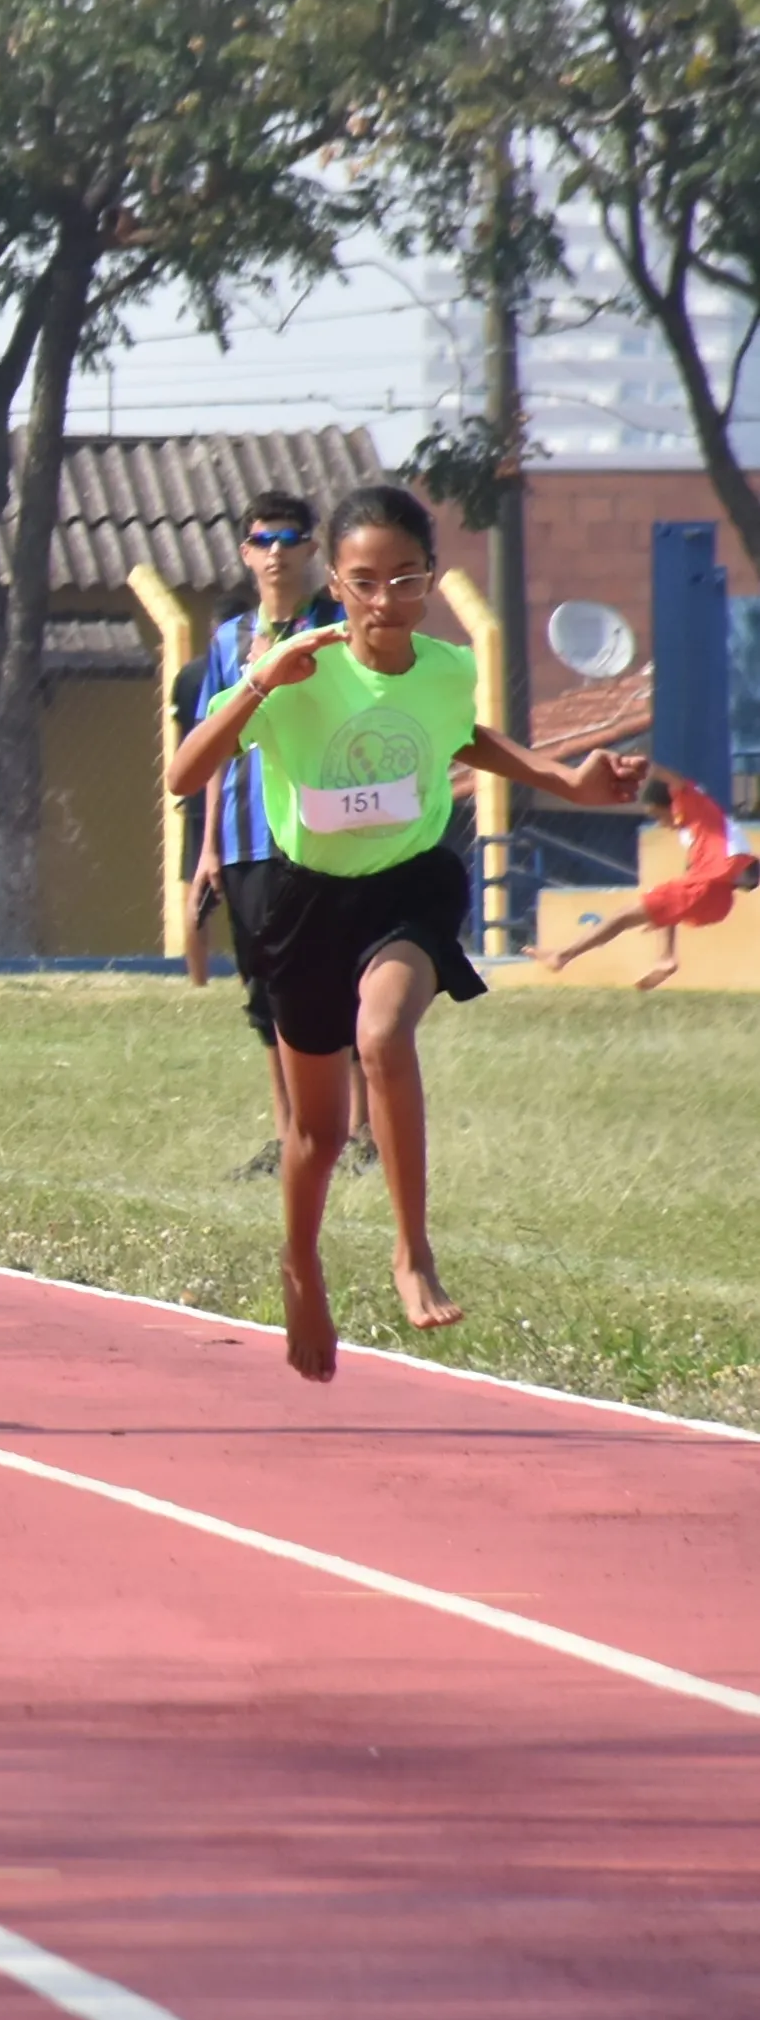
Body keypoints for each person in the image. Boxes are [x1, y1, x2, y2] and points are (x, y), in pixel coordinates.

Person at [164, 481, 646, 1380]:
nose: (385, 601)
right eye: (364, 582)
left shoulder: (444, 666)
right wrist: (258, 681)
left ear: (432, 577)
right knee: (312, 1134)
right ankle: (300, 1260)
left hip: (409, 888)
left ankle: (410, 1248)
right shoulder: (298, 668)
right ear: (335, 586)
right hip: (309, 903)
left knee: (383, 1034)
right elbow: (185, 774)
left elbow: (460, 738)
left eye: (405, 578)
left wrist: (568, 782)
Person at [181, 492, 354, 1176]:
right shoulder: (228, 642)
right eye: (264, 540)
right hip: (248, 838)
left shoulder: (337, 628)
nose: (277, 552)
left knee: (338, 979)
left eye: (290, 538)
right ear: (246, 553)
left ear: (313, 549)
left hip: (322, 830)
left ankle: (357, 1133)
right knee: (266, 989)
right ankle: (291, 1138)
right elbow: (215, 743)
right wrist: (208, 847)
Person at [539, 768, 755, 990]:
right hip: (718, 902)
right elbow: (742, 873)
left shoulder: (697, 807)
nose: (660, 823)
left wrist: (645, 765)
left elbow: (676, 781)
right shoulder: (699, 833)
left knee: (622, 916)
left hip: (706, 891)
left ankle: (564, 955)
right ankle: (666, 957)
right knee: (667, 896)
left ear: (673, 805)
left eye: (658, 815)